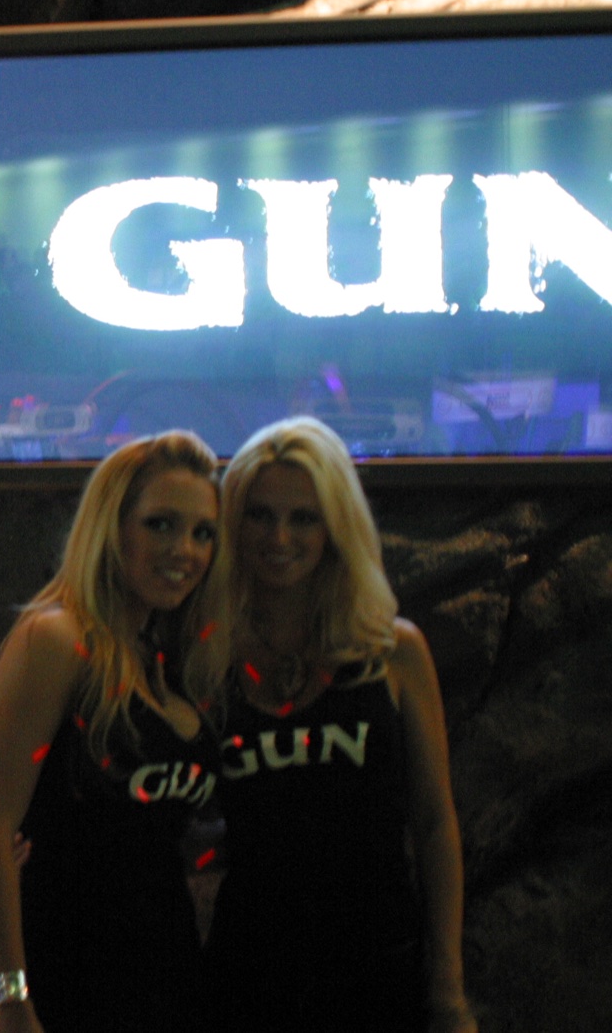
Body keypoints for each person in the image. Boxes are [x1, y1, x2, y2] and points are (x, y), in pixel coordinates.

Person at [200, 417, 475, 1033]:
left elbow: (434, 825)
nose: (280, 536)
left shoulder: (393, 651)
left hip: (378, 966)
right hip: (248, 973)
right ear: (232, 521)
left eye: (304, 517)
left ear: (337, 525)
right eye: (259, 514)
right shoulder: (207, 660)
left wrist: (449, 991)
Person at [0, 431, 222, 1033]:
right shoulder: (56, 640)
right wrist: (9, 999)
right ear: (113, 526)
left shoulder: (169, 658)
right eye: (160, 524)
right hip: (68, 980)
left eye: (202, 532)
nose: (184, 549)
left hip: (171, 975)